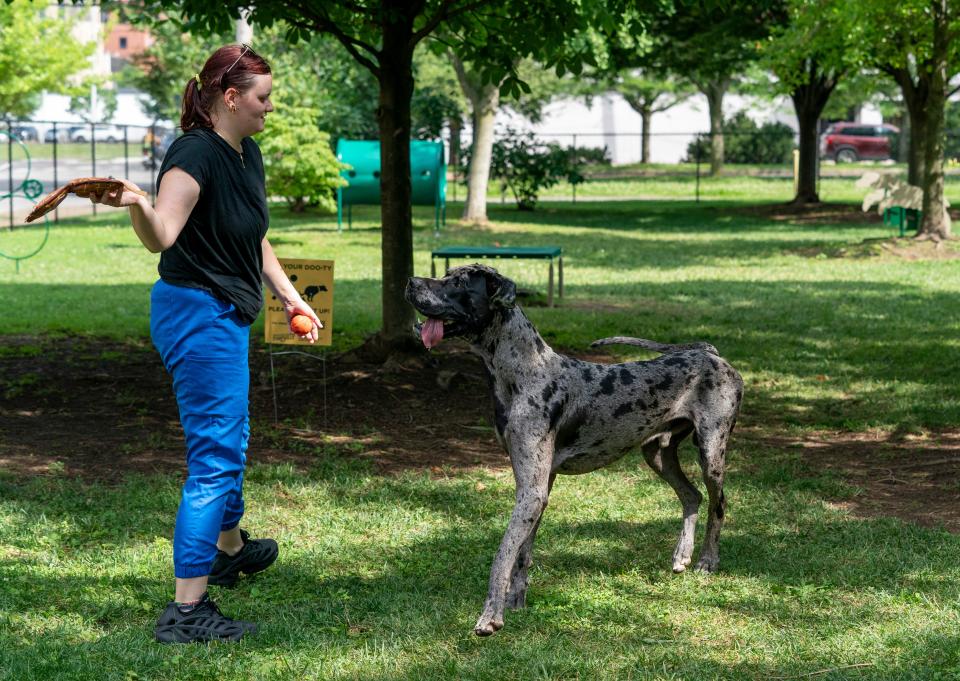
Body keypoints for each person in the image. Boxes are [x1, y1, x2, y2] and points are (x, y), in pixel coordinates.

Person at [88, 43, 322, 644]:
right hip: (196, 313)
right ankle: (186, 611)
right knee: (214, 460)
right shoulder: (195, 153)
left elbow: (254, 239)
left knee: (232, 437)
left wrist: (292, 298)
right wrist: (138, 203)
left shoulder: (248, 154)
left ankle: (228, 549)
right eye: (264, 98)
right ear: (231, 97)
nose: (271, 107)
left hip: (227, 312)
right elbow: (163, 234)